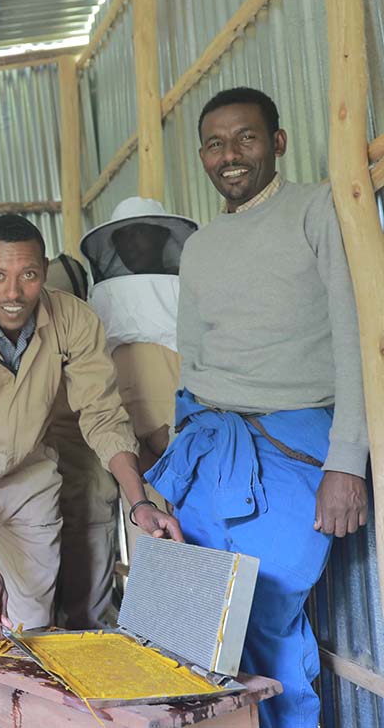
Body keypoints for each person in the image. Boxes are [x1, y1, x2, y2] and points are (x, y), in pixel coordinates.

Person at [0, 215, 182, 727]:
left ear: (44, 271)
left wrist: (139, 500)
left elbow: (102, 414)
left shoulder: (73, 320)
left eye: (28, 275)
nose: (14, 292)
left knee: (32, 628)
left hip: (29, 482)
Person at [146, 87, 369, 728]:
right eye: (215, 144)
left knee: (268, 620)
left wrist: (347, 462)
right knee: (202, 633)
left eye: (245, 138)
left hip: (294, 450)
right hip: (209, 452)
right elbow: (192, 365)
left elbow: (356, 337)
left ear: (278, 142)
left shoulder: (319, 209)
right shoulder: (200, 247)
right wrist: (178, 474)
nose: (230, 156)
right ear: (202, 156)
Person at [80, 197, 198, 557]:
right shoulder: (99, 296)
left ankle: (208, 606)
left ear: (163, 239)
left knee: (192, 513)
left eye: (141, 235)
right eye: (124, 239)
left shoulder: (189, 285)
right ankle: (157, 607)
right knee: (147, 523)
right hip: (124, 408)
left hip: (176, 403)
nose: (132, 245)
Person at [42, 254, 120, 630]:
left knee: (86, 608)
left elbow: (104, 414)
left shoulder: (89, 337)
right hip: (46, 481)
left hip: (87, 478)